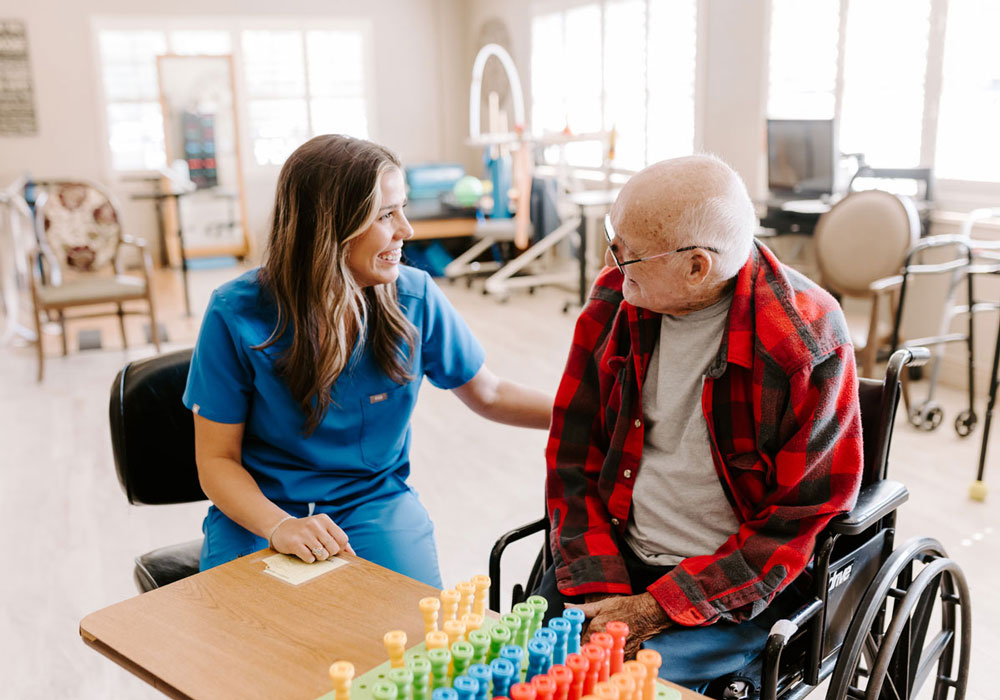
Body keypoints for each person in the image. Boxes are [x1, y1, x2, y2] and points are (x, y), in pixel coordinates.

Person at [538, 154, 863, 690]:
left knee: (620, 688)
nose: (610, 260)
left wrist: (655, 608)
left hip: (733, 588)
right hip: (616, 552)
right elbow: (572, 455)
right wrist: (600, 584)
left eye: (629, 254)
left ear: (696, 266)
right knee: (524, 668)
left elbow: (795, 521)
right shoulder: (616, 298)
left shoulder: (804, 340)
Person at [183, 134, 552, 588]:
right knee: (248, 645)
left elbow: (489, 393)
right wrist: (280, 526)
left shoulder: (415, 297)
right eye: (386, 215)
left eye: (403, 209)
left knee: (413, 640)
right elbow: (217, 460)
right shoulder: (235, 312)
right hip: (262, 508)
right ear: (329, 228)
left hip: (373, 502)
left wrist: (589, 418)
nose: (407, 230)